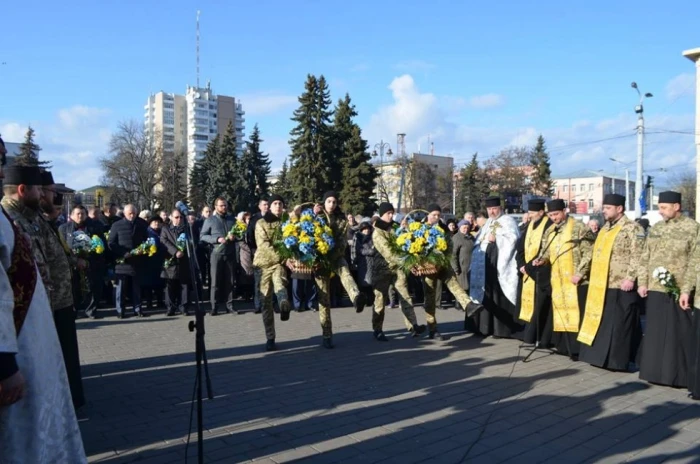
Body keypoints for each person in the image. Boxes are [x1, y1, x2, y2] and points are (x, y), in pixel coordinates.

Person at [0, 155, 87, 463]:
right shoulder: (10, 220)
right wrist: (5, 364)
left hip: (45, 316)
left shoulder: (29, 218)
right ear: (23, 189)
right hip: (21, 336)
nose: (46, 194)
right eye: (40, 189)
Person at [638, 191, 699, 388]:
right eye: (659, 207)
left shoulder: (692, 228)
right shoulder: (656, 228)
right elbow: (645, 255)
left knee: (678, 334)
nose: (660, 211)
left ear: (676, 207)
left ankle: (678, 376)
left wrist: (686, 289)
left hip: (678, 288)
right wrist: (642, 282)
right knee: (656, 333)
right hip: (656, 287)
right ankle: (654, 373)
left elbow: (694, 261)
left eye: (664, 207)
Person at [577, 194, 644, 371]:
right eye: (604, 208)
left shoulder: (633, 228)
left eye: (607, 208)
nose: (604, 211)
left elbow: (639, 255)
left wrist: (630, 277)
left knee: (620, 325)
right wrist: (581, 273)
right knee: (604, 322)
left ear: (619, 209)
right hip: (601, 283)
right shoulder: (605, 228)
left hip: (621, 283)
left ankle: (616, 361)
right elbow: (594, 252)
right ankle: (599, 358)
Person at [533, 199, 594, 358]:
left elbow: (589, 252)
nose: (554, 218)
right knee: (560, 311)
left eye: (556, 214)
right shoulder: (551, 230)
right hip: (558, 279)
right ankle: (562, 346)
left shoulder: (579, 227)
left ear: (564, 211)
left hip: (577, 280)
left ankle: (577, 349)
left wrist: (580, 273)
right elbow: (546, 251)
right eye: (551, 215)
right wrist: (541, 259)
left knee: (577, 312)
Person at [420, 203, 484, 340]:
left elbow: (449, 247)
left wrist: (445, 258)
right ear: (428, 215)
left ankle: (468, 305)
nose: (436, 218)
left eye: (438, 215)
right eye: (434, 215)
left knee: (453, 283)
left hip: (442, 264)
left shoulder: (443, 229)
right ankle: (432, 328)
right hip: (427, 268)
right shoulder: (419, 228)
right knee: (430, 299)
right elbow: (414, 249)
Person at [369, 203, 428, 340]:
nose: (391, 215)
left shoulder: (394, 227)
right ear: (381, 214)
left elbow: (404, 243)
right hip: (382, 269)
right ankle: (377, 329)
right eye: (388, 213)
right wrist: (407, 262)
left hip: (397, 269)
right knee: (380, 300)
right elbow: (388, 253)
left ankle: (413, 325)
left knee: (405, 295)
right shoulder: (377, 231)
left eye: (392, 213)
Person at [469, 196, 522, 338]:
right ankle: (485, 328)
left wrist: (497, 238)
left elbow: (514, 239)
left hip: (499, 264)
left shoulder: (508, 221)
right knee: (486, 294)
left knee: (498, 295)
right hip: (486, 264)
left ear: (500, 208)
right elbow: (480, 239)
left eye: (494, 209)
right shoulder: (489, 223)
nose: (492, 212)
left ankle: (501, 329)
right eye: (489, 209)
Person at [253, 194, 292, 351]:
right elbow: (264, 246)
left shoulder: (287, 223)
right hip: (262, 266)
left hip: (278, 264)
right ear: (269, 206)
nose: (278, 206)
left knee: (280, 281)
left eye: (280, 203)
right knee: (266, 302)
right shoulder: (261, 223)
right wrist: (284, 259)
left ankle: (284, 304)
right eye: (275, 203)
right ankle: (270, 337)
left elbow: (292, 242)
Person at [516, 199, 554, 346]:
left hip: (541, 274)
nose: (529, 215)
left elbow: (544, 251)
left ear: (541, 212)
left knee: (540, 306)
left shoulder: (548, 225)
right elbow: (520, 247)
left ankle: (539, 338)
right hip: (527, 271)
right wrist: (521, 264)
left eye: (532, 212)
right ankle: (529, 335)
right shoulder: (529, 226)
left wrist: (529, 266)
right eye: (529, 212)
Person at [59, 205, 106, 319]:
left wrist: (89, 257)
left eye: (83, 214)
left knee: (92, 287)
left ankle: (90, 310)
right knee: (74, 288)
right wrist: (75, 259)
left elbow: (101, 244)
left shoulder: (94, 227)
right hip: (72, 263)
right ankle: (74, 310)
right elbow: (62, 246)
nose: (80, 216)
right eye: (78, 214)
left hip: (90, 262)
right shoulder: (64, 228)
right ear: (72, 215)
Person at [108, 204, 149, 318]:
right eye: (129, 213)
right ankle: (120, 310)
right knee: (121, 288)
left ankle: (138, 309)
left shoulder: (141, 224)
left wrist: (143, 250)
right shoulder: (117, 225)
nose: (132, 215)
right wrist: (124, 253)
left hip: (137, 261)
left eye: (134, 213)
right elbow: (111, 243)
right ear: (124, 214)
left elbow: (147, 240)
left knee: (137, 288)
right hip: (122, 262)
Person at [200, 197, 237, 315]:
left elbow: (239, 233)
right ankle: (214, 307)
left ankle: (229, 305)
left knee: (230, 281)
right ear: (215, 207)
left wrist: (235, 237)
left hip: (230, 254)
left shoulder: (232, 219)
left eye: (225, 205)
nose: (224, 207)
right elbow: (203, 236)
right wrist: (217, 239)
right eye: (221, 205)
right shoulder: (210, 220)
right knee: (215, 282)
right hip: (216, 254)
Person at [161, 209, 191, 316]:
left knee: (184, 285)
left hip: (184, 261)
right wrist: (175, 251)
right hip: (171, 261)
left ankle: (184, 307)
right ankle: (171, 307)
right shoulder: (166, 229)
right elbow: (164, 241)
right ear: (171, 217)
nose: (179, 219)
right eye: (176, 217)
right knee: (170, 285)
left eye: (180, 217)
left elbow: (192, 242)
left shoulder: (186, 229)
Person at [247, 199, 269, 314]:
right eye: (264, 205)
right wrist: (254, 250)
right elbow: (249, 235)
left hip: (270, 253)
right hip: (258, 252)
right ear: (260, 206)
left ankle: (270, 303)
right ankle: (257, 305)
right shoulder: (254, 219)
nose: (266, 206)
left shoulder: (272, 218)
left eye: (268, 204)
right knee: (258, 281)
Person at [452, 219, 475, 310]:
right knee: (462, 286)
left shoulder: (470, 237)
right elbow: (453, 254)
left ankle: (467, 304)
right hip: (461, 266)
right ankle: (459, 304)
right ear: (459, 227)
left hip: (470, 265)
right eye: (463, 227)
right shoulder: (457, 238)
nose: (465, 229)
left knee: (468, 285)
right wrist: (455, 268)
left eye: (467, 227)